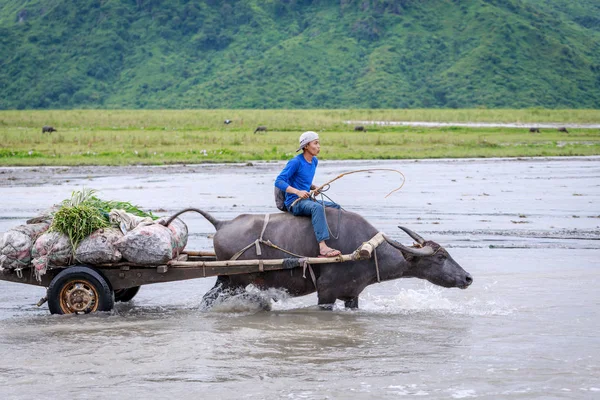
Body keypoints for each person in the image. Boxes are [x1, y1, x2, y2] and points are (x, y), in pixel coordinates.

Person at [274, 131, 342, 258]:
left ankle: (334, 240)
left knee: (336, 207)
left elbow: (303, 180)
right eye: (315, 143)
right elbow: (279, 181)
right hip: (295, 202)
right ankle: (322, 246)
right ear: (306, 146)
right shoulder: (295, 162)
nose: (318, 146)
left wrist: (313, 188)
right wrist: (297, 192)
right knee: (317, 207)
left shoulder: (314, 161)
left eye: (319, 143)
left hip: (307, 199)